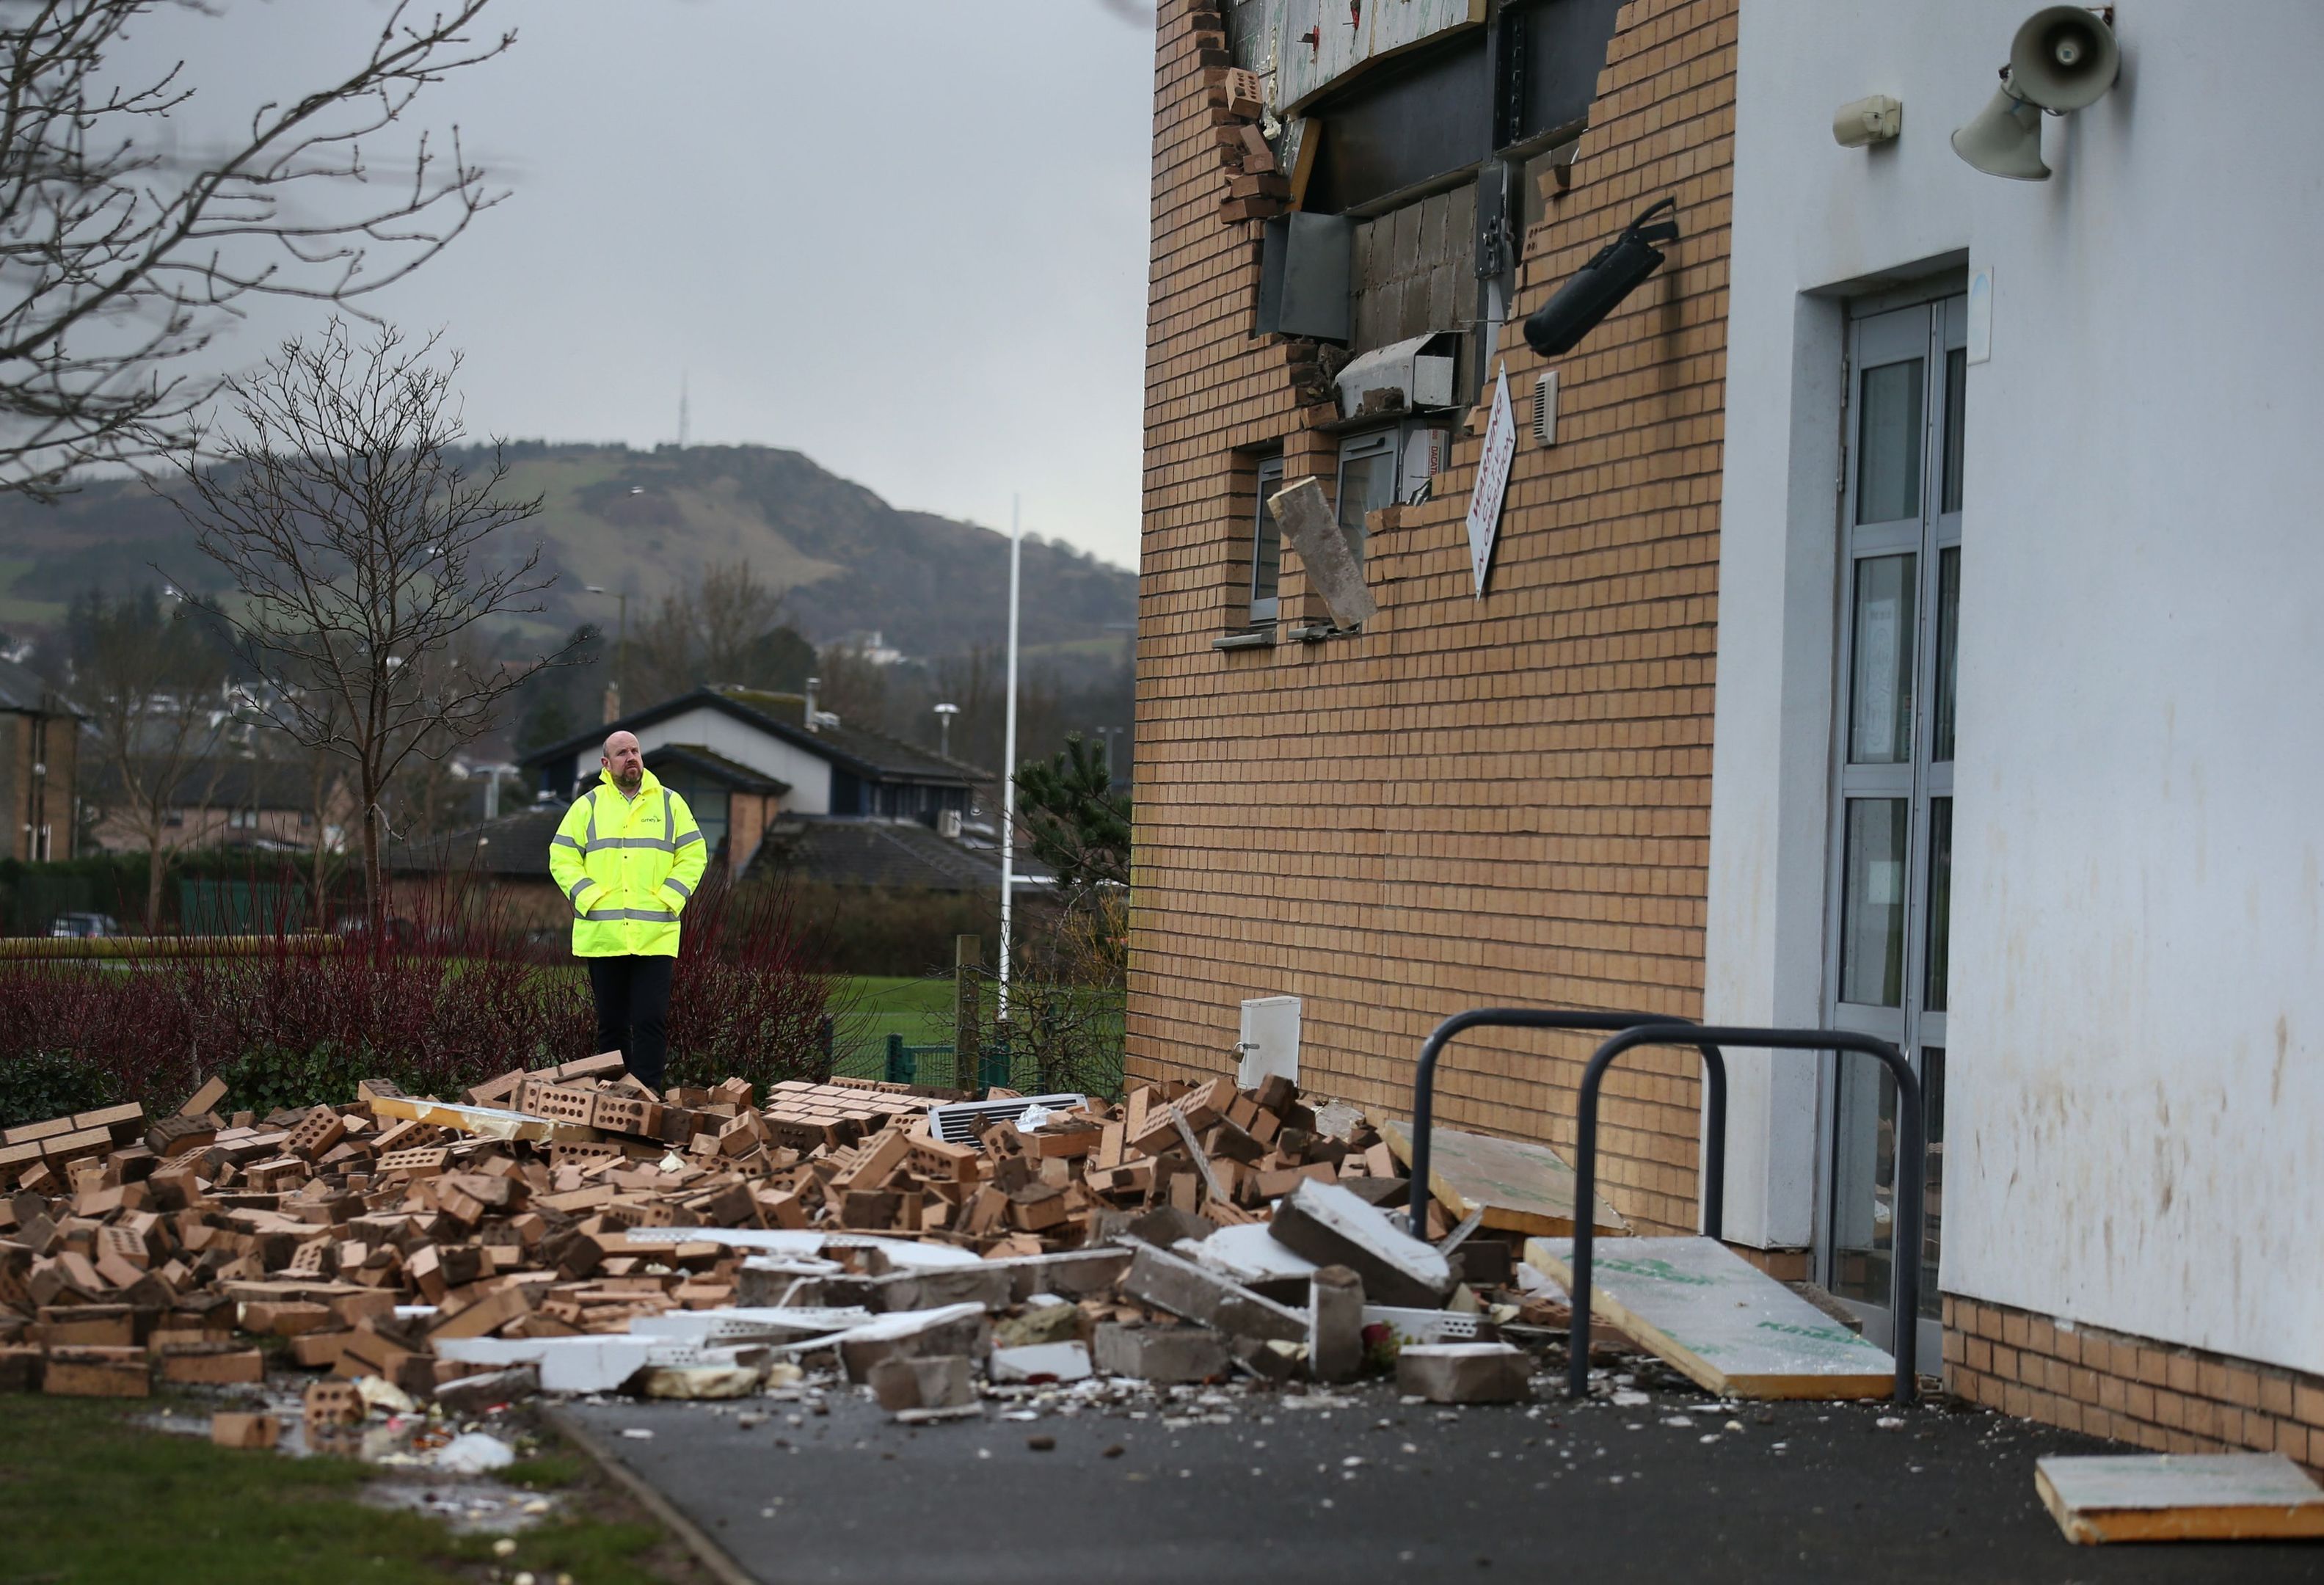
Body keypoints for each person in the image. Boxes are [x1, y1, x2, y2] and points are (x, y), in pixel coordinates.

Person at [547, 730, 707, 1090]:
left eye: (635, 751)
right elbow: (562, 856)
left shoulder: (670, 803)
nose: (631, 757)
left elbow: (694, 855)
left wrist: (671, 897)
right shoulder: (587, 806)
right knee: (612, 1023)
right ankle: (614, 1091)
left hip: (655, 934)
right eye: (622, 753)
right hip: (604, 935)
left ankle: (647, 1092)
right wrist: (589, 897)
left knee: (651, 1019)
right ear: (606, 764)